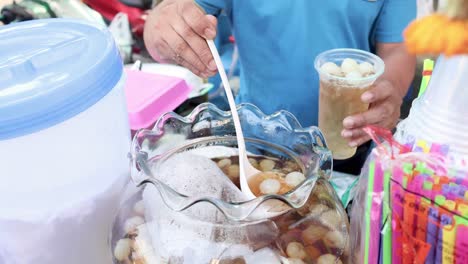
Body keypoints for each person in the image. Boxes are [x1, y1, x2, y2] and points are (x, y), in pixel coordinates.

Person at [143, 0, 416, 175]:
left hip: (348, 145)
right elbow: (175, 15)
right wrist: (161, 24)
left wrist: (390, 90)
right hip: (256, 143)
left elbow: (398, 47)